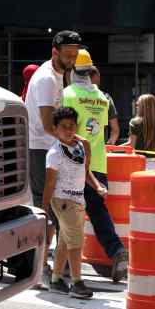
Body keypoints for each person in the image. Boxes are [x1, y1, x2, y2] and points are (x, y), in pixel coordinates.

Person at [62, 49, 128, 282]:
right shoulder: (102, 98)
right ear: (90, 72)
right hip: (98, 163)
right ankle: (117, 251)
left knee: (67, 214)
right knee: (98, 213)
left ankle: (66, 266)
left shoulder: (68, 94)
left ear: (73, 71)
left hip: (73, 163)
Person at [24, 30, 81, 284]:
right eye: (68, 54)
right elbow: (48, 124)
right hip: (41, 148)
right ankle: (41, 264)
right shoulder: (47, 79)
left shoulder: (60, 74)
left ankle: (57, 264)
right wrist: (70, 142)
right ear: (54, 52)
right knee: (44, 207)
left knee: (58, 206)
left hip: (50, 147)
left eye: (75, 54)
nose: (72, 58)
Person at [42, 107, 107, 298]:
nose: (69, 130)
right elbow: (49, 182)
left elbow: (85, 172)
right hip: (63, 201)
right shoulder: (54, 153)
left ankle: (56, 279)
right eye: (64, 127)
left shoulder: (80, 146)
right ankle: (77, 282)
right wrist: (44, 209)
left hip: (78, 199)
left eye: (72, 126)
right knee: (77, 243)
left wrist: (97, 186)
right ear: (55, 129)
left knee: (64, 241)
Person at [128, 94, 155, 168]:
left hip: (139, 164)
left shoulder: (134, 122)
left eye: (138, 105)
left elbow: (131, 147)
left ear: (143, 107)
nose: (136, 107)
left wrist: (114, 148)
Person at [89, 66, 120, 145]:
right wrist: (109, 145)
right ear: (97, 77)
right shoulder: (106, 98)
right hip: (100, 150)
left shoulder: (74, 96)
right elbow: (115, 129)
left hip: (79, 150)